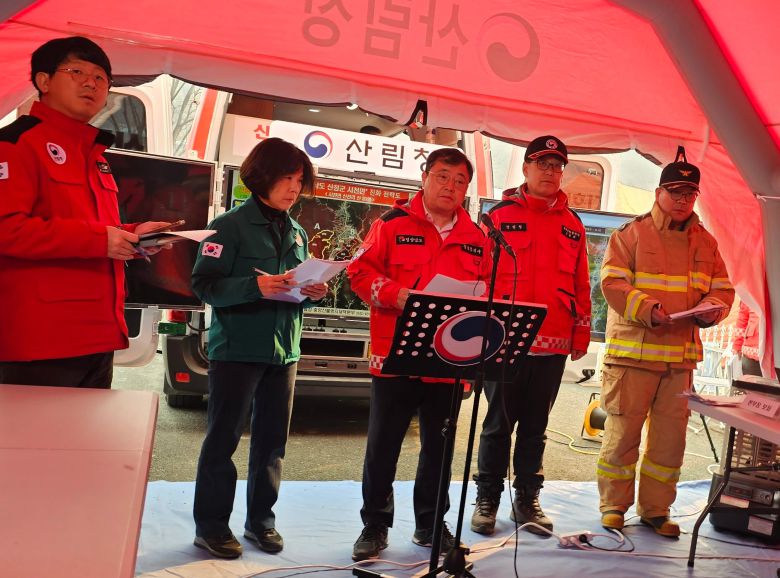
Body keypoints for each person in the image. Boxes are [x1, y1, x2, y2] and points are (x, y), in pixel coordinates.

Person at [347, 148, 492, 561]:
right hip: (395, 357)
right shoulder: (391, 225)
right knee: (383, 446)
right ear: (425, 177)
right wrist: (400, 295)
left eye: (460, 181)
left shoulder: (479, 238)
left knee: (440, 450)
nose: (451, 187)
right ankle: (374, 525)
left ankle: (430, 525)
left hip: (449, 363)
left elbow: (487, 294)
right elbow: (359, 274)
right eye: (443, 176)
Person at [0, 36, 169, 389]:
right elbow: (7, 229)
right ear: (44, 81)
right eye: (77, 71)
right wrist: (101, 240)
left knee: (86, 444)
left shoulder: (95, 154)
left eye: (101, 78)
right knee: (39, 443)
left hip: (97, 336)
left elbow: (95, 229)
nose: (91, 83)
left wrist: (134, 234)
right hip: (41, 339)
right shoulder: (15, 144)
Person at [191, 137, 327, 559]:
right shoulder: (228, 226)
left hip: (284, 351)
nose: (293, 187)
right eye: (287, 178)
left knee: (271, 443)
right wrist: (256, 286)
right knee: (223, 440)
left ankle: (260, 523)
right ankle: (211, 527)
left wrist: (314, 290)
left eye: (299, 180)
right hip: (237, 351)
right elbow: (204, 284)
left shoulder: (298, 230)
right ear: (262, 176)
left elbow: (296, 287)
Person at [596, 147, 734, 537]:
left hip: (680, 360)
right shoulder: (631, 233)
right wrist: (648, 308)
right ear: (659, 192)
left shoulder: (706, 242)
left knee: (669, 444)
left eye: (689, 193)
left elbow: (723, 289)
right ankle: (613, 506)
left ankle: (657, 510)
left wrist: (713, 309)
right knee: (622, 436)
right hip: (633, 357)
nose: (681, 199)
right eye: (674, 191)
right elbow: (612, 283)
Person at [470, 135, 592, 536]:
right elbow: (477, 277)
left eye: (557, 165)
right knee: (496, 424)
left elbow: (580, 283)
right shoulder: (498, 217)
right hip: (504, 340)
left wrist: (581, 331)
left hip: (553, 342)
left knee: (536, 427)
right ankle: (487, 498)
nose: (550, 171)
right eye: (542, 164)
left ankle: (527, 499)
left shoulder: (573, 224)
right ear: (525, 168)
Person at [732, 301, 762, 376]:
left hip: (774, 356)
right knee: (751, 386)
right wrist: (737, 345)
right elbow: (742, 319)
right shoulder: (750, 290)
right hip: (752, 354)